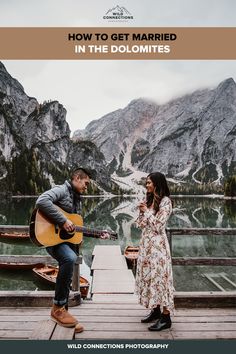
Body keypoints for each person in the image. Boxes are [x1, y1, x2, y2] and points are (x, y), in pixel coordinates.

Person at [35, 167, 108, 332]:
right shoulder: (61, 190)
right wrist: (62, 221)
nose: (87, 187)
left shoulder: (77, 198)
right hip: (52, 240)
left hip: (64, 241)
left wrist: (97, 235)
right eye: (86, 183)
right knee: (68, 259)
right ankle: (58, 308)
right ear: (77, 178)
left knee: (68, 267)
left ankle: (64, 315)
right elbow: (42, 201)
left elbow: (74, 227)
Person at [135, 172, 174, 331]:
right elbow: (140, 225)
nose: (147, 185)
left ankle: (166, 318)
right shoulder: (150, 200)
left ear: (158, 183)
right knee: (150, 277)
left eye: (149, 182)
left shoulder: (166, 202)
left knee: (161, 279)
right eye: (146, 183)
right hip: (146, 247)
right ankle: (156, 310)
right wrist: (141, 211)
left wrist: (147, 211)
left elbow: (158, 226)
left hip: (158, 248)